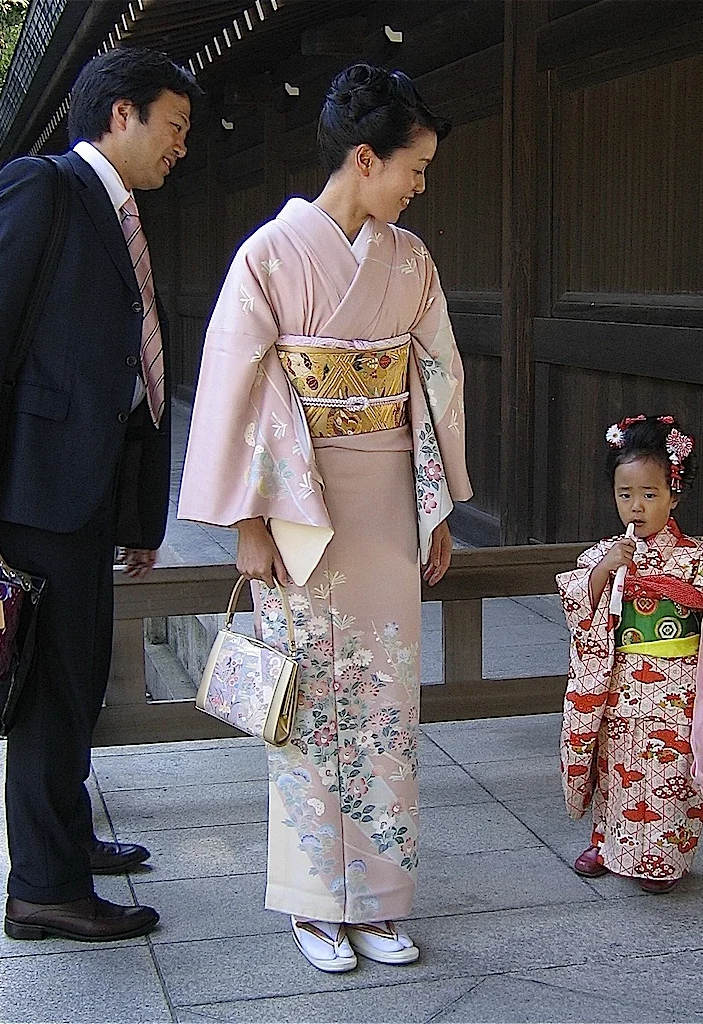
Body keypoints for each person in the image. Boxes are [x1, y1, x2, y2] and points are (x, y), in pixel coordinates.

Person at [178, 63, 472, 971]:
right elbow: (237, 386)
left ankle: (379, 897)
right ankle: (313, 901)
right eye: (412, 168)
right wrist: (247, 522)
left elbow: (437, 380)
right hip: (297, 507)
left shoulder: (410, 260)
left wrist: (436, 507)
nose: (420, 186)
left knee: (384, 699)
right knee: (304, 706)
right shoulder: (268, 255)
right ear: (363, 156)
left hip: (385, 493)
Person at [0, 48, 201, 941]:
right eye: (174, 126)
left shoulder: (117, 210)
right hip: (32, 490)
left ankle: (66, 839)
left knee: (77, 677)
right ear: (121, 114)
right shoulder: (42, 187)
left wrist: (135, 512)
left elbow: (123, 369)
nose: (181, 148)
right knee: (51, 688)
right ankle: (43, 887)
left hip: (84, 493)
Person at [556, 415, 703, 893]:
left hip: (678, 689)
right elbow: (578, 604)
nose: (636, 506)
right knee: (614, 765)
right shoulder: (606, 552)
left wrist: (693, 593)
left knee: (671, 771)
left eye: (649, 495)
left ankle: (662, 859)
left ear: (674, 493)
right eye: (625, 495)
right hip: (621, 683)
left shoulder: (697, 558)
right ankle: (606, 841)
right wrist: (603, 574)